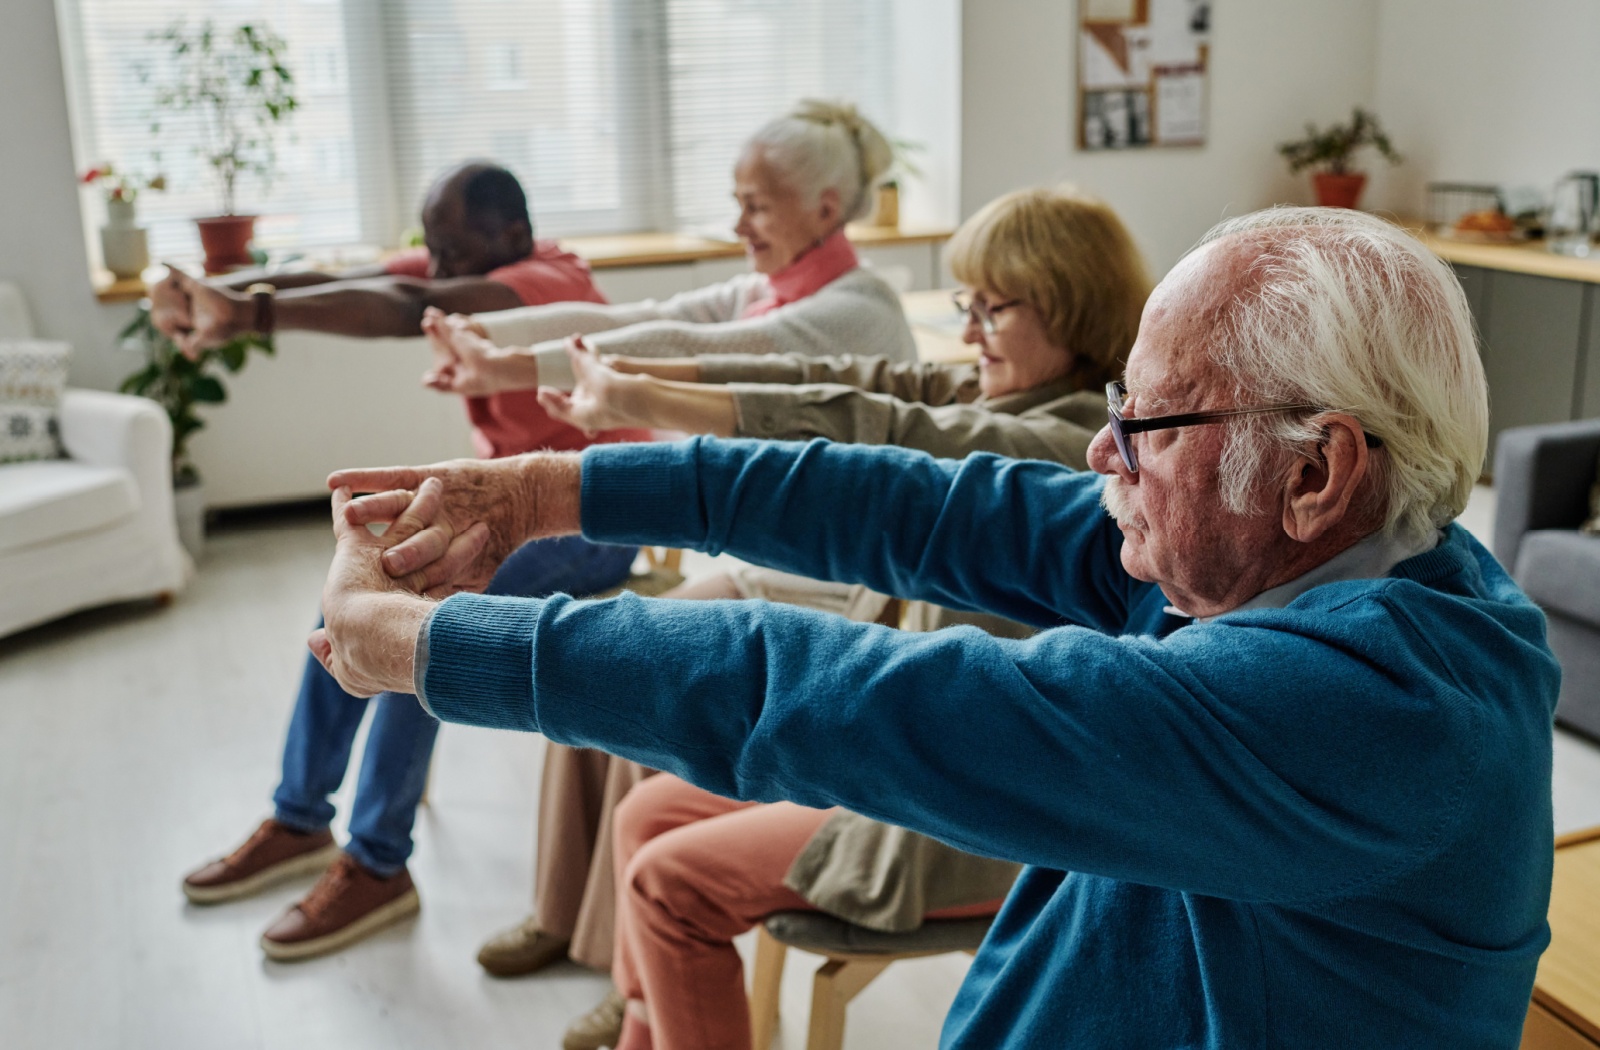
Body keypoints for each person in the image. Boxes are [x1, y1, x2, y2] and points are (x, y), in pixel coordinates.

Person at [316, 204, 1558, 1049]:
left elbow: (837, 694)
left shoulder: (1372, 708)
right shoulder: (1279, 554)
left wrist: (432, 647)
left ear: (1317, 472)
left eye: (1150, 424)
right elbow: (928, 504)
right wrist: (552, 489)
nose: (1101, 450)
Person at [528, 185, 1147, 1047]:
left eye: (992, 310)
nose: (967, 330)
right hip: (916, 753)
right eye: (964, 304)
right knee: (644, 817)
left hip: (977, 811)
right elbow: (844, 382)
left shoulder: (1068, 441)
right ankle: (651, 1024)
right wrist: (635, 387)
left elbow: (884, 424)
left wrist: (644, 409)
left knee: (667, 881)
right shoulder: (1007, 393)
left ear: (1072, 306)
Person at [416, 99, 918, 980]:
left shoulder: (856, 309)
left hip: (842, 592)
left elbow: (695, 347)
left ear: (828, 209)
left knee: (632, 680)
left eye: (756, 204)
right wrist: (491, 342)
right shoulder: (769, 285)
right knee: (577, 667)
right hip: (767, 570)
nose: (737, 224)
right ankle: (565, 913)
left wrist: (508, 365)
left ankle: (628, 965)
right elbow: (627, 317)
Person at [174, 161, 648, 963]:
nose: (435, 269)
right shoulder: (468, 262)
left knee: (414, 627)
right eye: (429, 248)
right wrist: (224, 292)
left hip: (594, 516)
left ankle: (378, 863)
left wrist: (250, 313)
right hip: (510, 502)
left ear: (511, 237)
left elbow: (399, 309)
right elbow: (349, 276)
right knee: (346, 598)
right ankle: (299, 817)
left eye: (451, 251)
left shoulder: (540, 285)